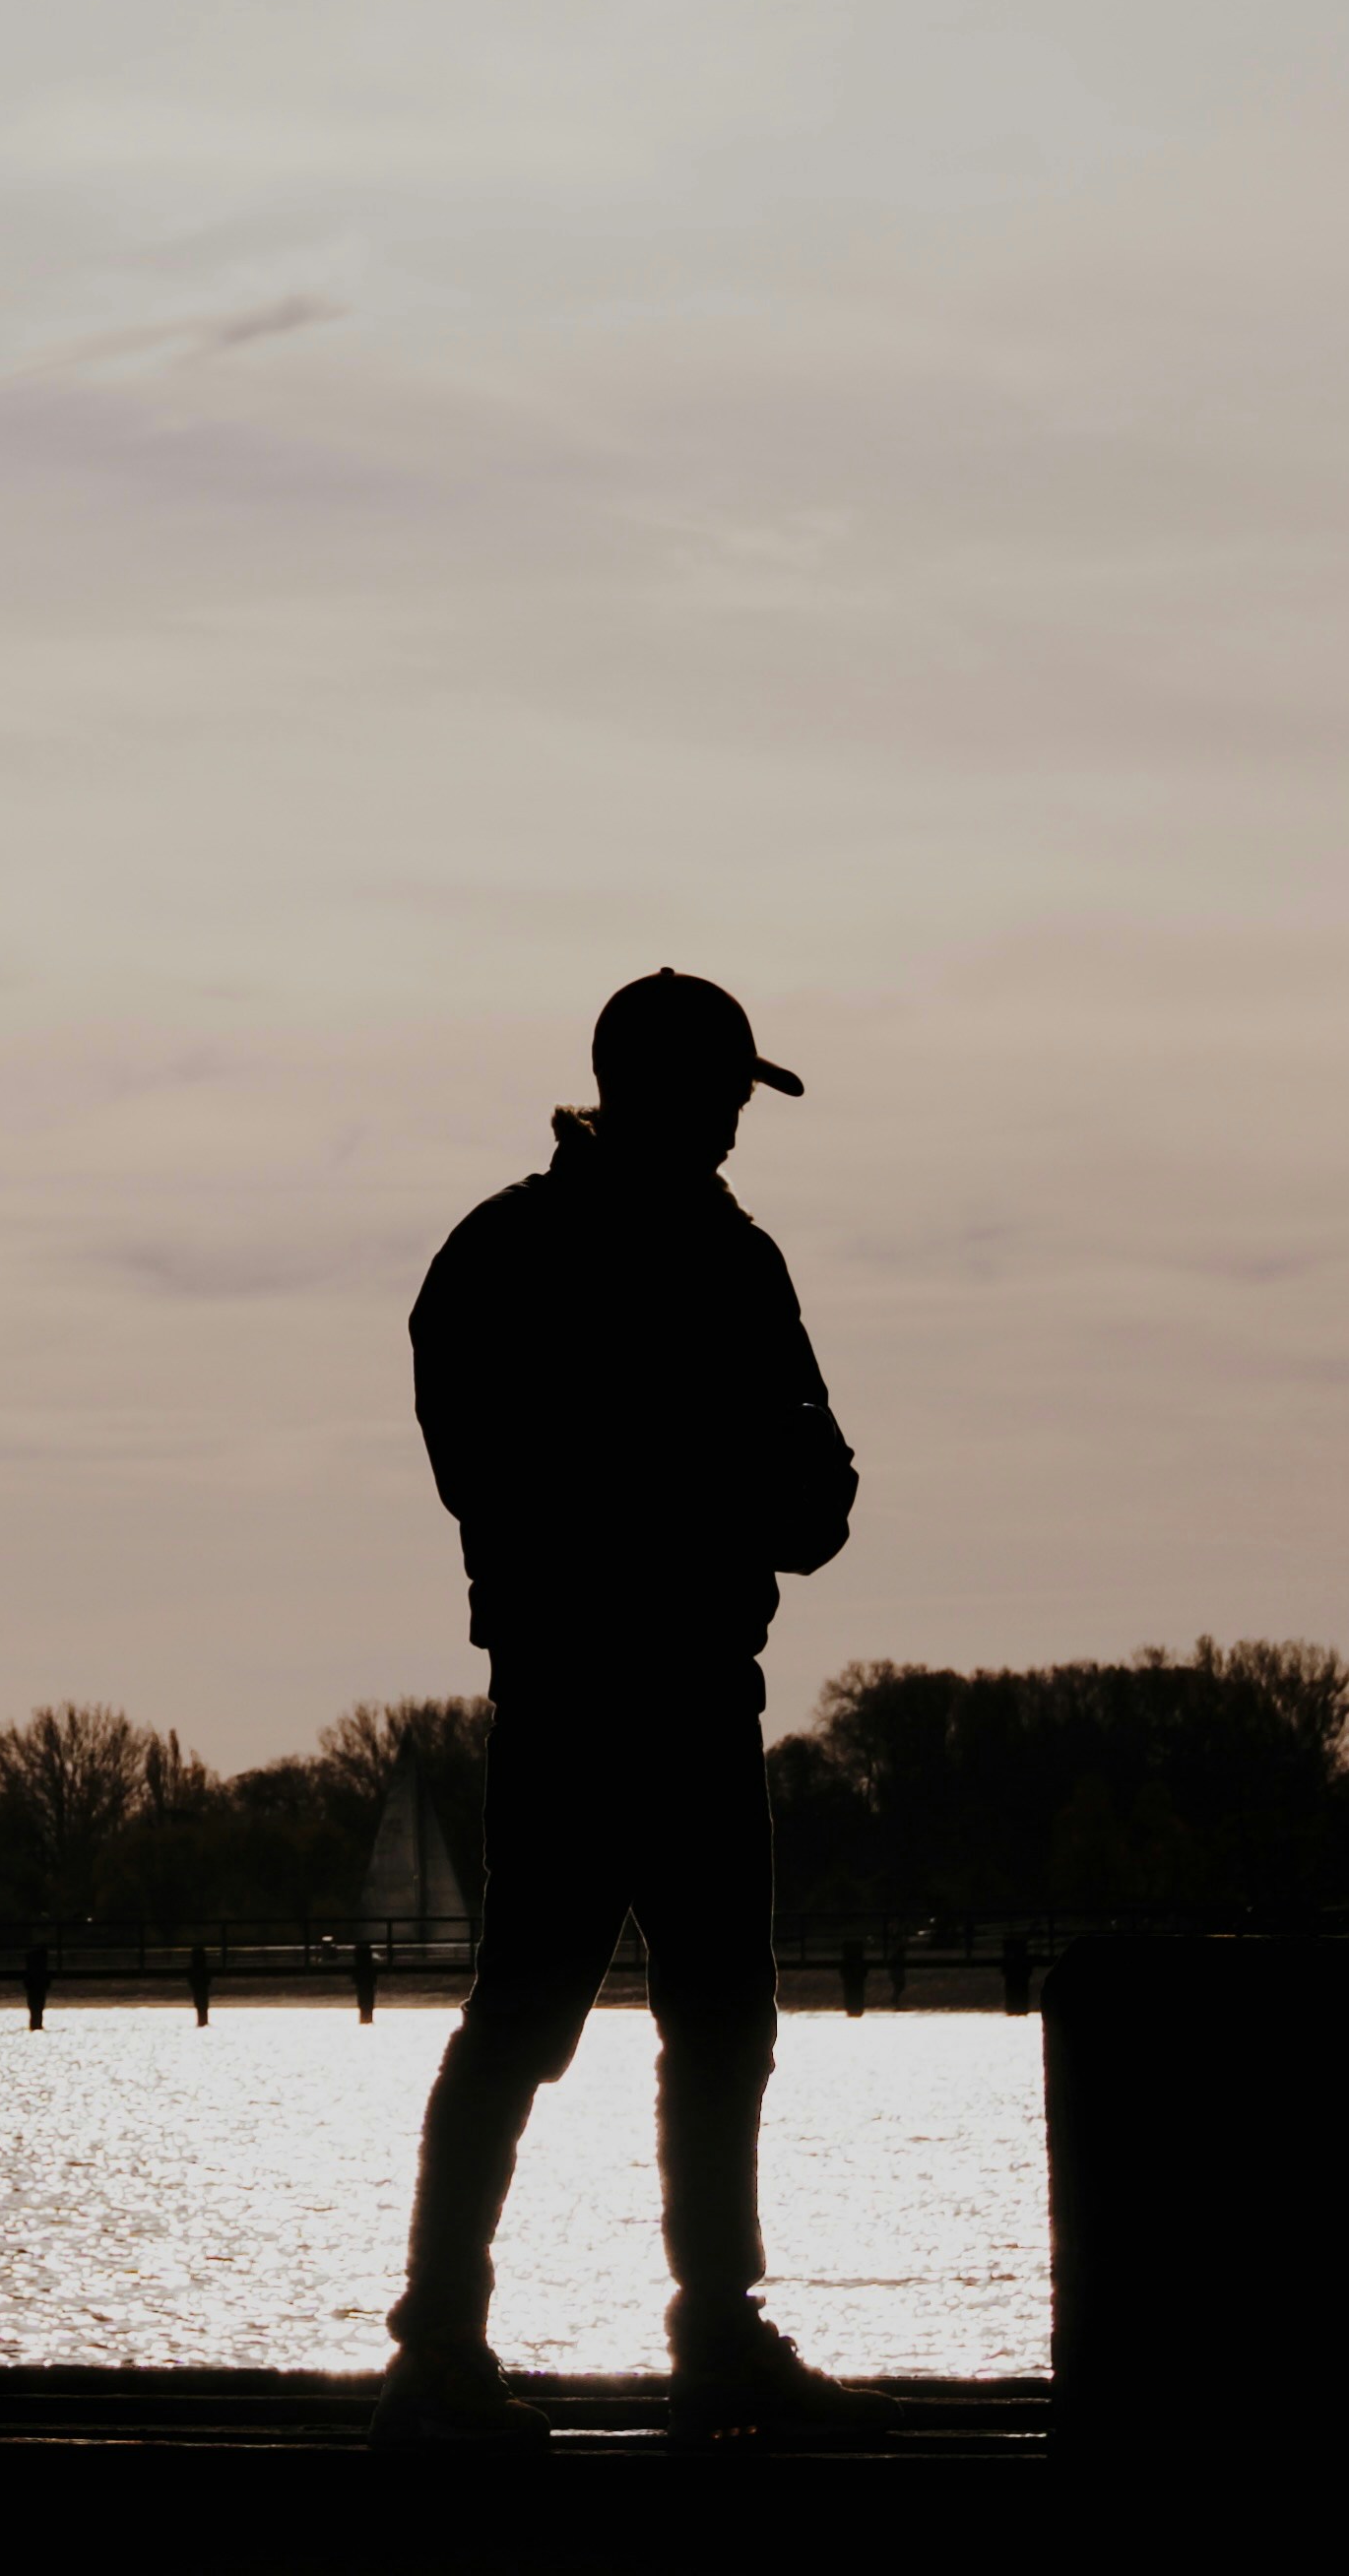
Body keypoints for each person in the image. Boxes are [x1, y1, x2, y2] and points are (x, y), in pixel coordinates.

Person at [370, 968, 893, 2447]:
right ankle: (441, 2354)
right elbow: (491, 1473)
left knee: (720, 2021)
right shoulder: (514, 1257)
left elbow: (816, 1485)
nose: (741, 1115)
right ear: (663, 1089)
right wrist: (706, 1485)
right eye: (729, 1087)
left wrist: (773, 1492)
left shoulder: (728, 1259)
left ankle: (707, 2340)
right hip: (581, 1699)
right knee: (529, 2021)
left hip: (699, 1699)